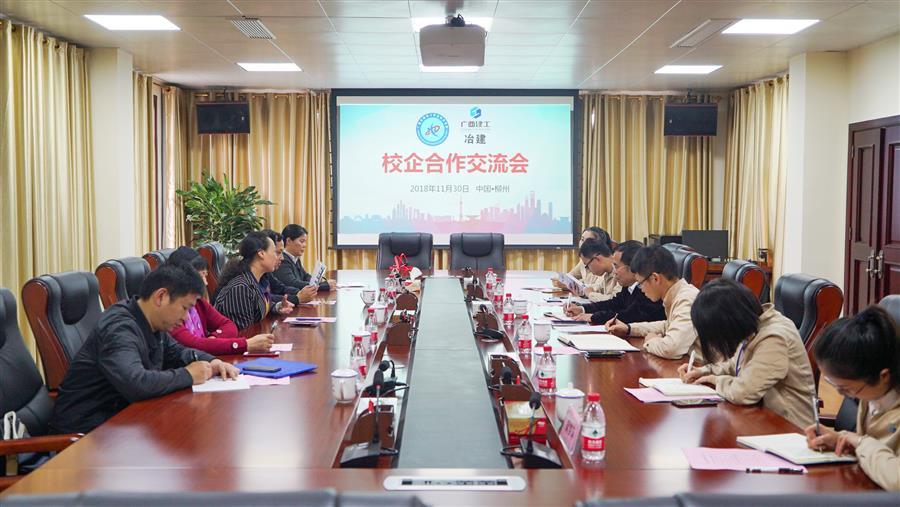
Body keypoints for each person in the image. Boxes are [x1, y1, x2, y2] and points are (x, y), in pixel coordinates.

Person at [50, 264, 240, 434]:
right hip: (86, 436)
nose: (186, 318)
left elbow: (177, 352)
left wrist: (212, 361)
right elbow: (136, 383)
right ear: (161, 297)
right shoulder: (119, 328)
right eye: (185, 308)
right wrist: (188, 375)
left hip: (122, 423)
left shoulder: (151, 322)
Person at [678, 279, 815, 428]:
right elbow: (736, 364)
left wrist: (715, 380)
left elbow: (743, 393)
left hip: (790, 430)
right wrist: (703, 371)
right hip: (762, 419)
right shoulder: (753, 325)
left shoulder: (774, 337)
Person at [804, 306, 899, 491]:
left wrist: (861, 443)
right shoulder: (873, 391)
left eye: (846, 389)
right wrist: (841, 440)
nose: (846, 396)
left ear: (884, 376)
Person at [166, 246, 274, 355]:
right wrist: (245, 345)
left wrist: (213, 340)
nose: (205, 283)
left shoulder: (199, 302)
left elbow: (230, 325)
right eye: (201, 276)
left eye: (205, 275)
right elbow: (194, 345)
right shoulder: (170, 312)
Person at [606, 245, 699, 359]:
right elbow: (667, 326)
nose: (641, 289)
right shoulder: (676, 295)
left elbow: (671, 349)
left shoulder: (687, 299)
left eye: (640, 284)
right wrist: (629, 329)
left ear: (655, 278)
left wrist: (651, 341)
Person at [563, 240, 665, 325]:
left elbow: (629, 316)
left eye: (616, 266)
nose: (614, 271)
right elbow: (614, 304)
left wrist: (594, 317)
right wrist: (582, 309)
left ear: (632, 267)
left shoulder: (648, 289)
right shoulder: (629, 286)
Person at [214, 231, 295, 330]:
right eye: (275, 252)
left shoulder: (259, 280)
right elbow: (243, 332)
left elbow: (258, 306)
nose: (281, 257)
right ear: (261, 253)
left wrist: (278, 307)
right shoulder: (241, 288)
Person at [260, 229, 316, 305]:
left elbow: (280, 288)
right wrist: (297, 298)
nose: (282, 258)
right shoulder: (247, 281)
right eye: (278, 252)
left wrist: (301, 293)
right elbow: (265, 298)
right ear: (261, 253)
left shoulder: (266, 273)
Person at [276, 224, 335, 292]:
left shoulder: (295, 258)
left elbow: (305, 276)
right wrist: (322, 286)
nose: (305, 245)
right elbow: (292, 283)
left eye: (305, 242)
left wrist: (317, 282)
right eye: (302, 241)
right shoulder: (282, 260)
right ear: (289, 241)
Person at [552, 226, 612, 291]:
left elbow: (598, 288)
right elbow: (570, 277)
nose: (582, 244)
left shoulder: (603, 263)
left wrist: (570, 286)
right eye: (582, 239)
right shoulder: (583, 261)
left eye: (588, 241)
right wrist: (561, 280)